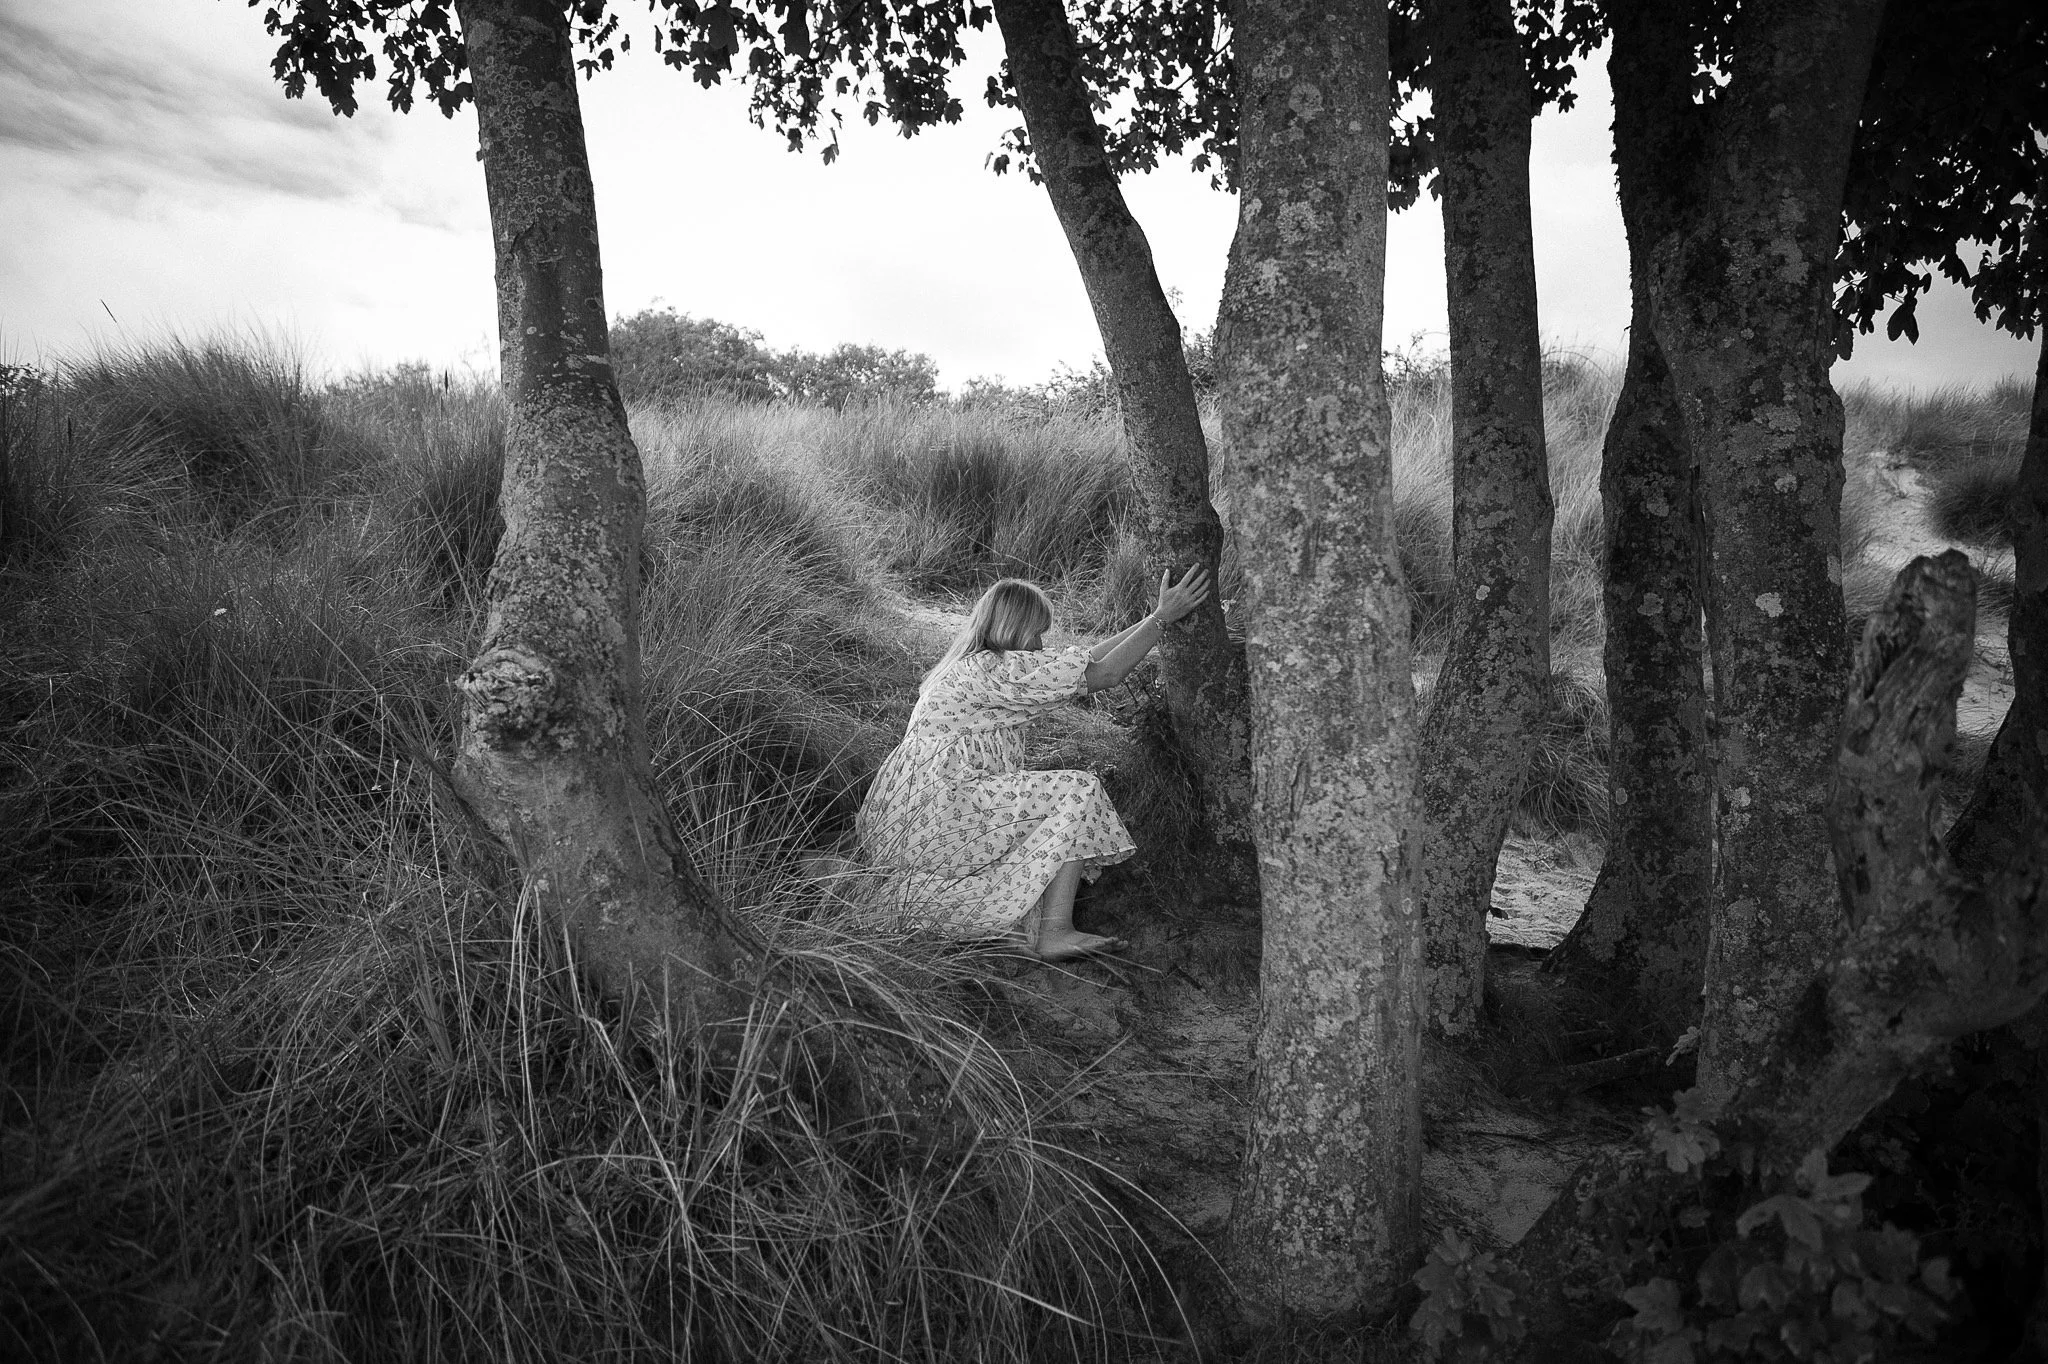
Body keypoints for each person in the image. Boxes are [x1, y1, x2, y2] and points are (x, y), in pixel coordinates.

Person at [855, 566, 1212, 960]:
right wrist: (1163, 619)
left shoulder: (974, 665)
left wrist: (1151, 618)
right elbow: (1105, 674)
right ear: (1014, 628)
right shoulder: (992, 668)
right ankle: (1054, 932)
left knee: (1053, 803)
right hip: (942, 812)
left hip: (915, 820)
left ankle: (1024, 928)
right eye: (1037, 632)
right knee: (1079, 789)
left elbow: (1086, 659)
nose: (1041, 644)